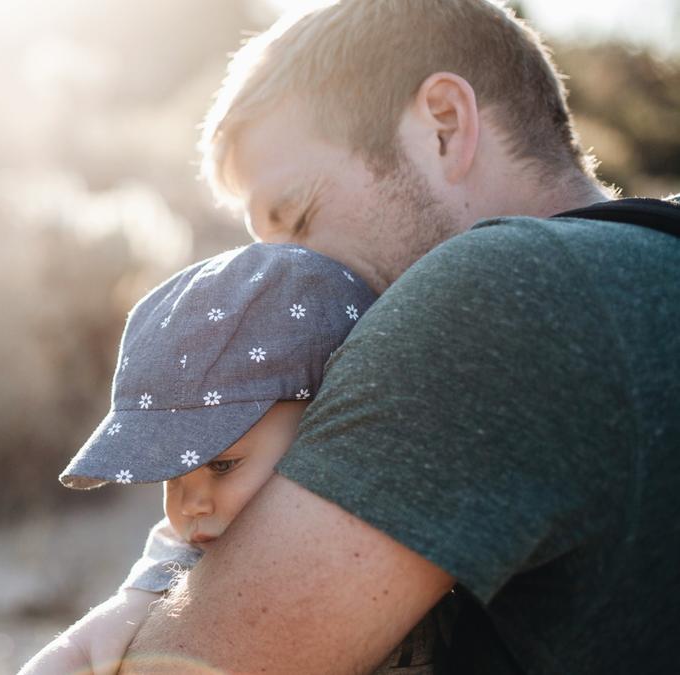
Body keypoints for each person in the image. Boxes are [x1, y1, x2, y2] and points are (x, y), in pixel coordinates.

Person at [108, 1, 680, 673]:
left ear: (443, 125)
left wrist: (139, 598)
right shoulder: (648, 264)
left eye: (298, 217)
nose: (282, 281)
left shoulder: (491, 292)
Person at [21, 243, 451, 674]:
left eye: (222, 465)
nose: (189, 505)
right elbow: (98, 636)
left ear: (325, 420)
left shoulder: (409, 501)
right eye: (171, 477)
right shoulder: (192, 552)